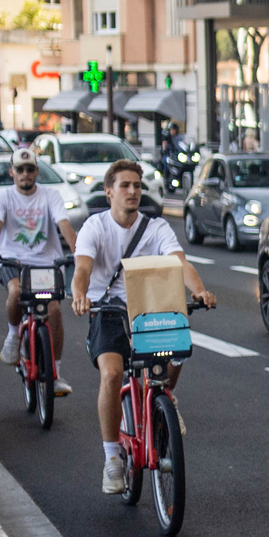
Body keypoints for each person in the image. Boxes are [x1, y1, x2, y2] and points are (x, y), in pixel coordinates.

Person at [69, 160, 213, 496]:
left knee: (176, 345)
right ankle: (111, 459)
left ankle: (166, 398)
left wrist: (199, 290)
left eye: (137, 185)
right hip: (106, 310)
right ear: (109, 192)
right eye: (125, 185)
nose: (133, 191)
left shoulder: (156, 227)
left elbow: (180, 263)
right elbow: (82, 269)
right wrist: (79, 295)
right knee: (111, 374)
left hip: (148, 309)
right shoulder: (95, 227)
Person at [0, 148, 76, 397]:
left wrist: (79, 250)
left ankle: (55, 374)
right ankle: (13, 336)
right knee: (15, 291)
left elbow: (64, 225)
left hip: (47, 264)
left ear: (37, 171)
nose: (25, 174)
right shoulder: (2, 197)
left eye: (29, 169)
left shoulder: (51, 196)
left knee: (55, 310)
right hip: (13, 262)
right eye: (19, 169)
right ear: (11, 172)